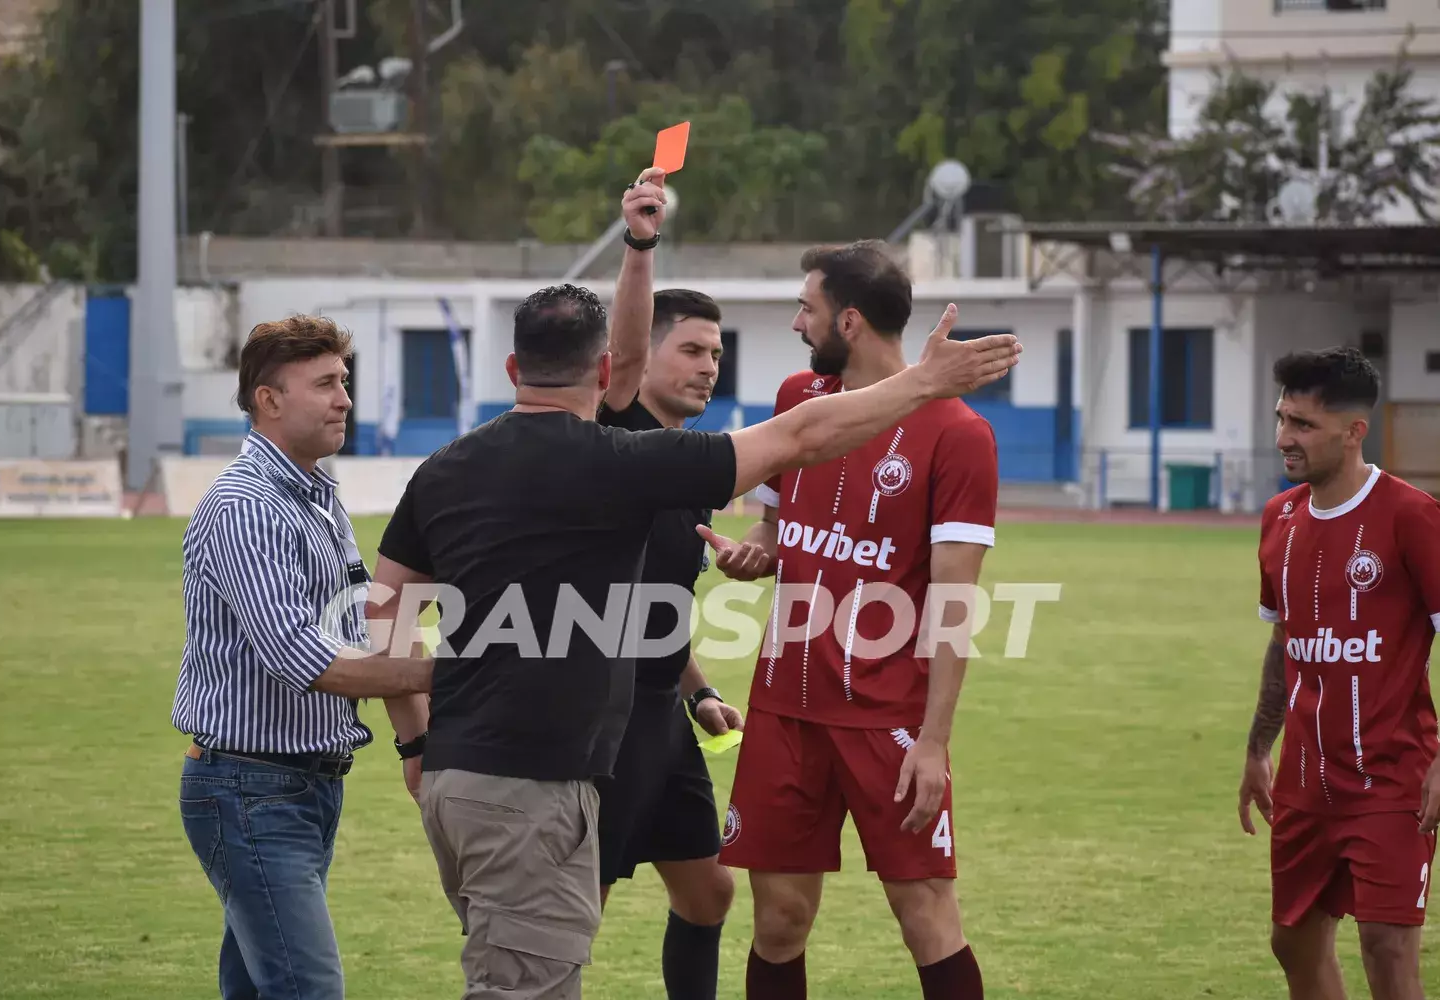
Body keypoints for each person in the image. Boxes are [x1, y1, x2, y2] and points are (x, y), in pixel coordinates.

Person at [367, 269, 1020, 999]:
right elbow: (801, 435)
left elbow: (384, 611)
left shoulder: (443, 468)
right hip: (543, 776)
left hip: (461, 773)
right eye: (692, 350)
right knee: (530, 976)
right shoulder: (625, 462)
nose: (710, 365)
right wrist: (927, 381)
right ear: (609, 371)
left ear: (514, 366)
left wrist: (416, 740)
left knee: (672, 906)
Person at [702, 240, 999, 1000]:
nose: (796, 323)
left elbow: (955, 602)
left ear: (851, 321)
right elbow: (775, 527)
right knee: (779, 921)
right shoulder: (797, 399)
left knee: (925, 914)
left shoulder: (959, 433)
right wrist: (757, 552)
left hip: (887, 721)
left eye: (807, 308)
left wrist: (933, 742)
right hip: (784, 710)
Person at [171, 315, 438, 1000]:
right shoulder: (247, 505)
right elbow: (304, 658)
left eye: (343, 381)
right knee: (307, 988)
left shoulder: (318, 497)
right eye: (324, 384)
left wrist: (418, 741)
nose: (344, 399)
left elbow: (366, 624)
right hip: (250, 788)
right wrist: (454, 674)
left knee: (261, 988)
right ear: (268, 399)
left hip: (302, 787)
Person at [1238, 346, 1440, 1000]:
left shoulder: (1411, 516)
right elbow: (1285, 638)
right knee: (1293, 942)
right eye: (1281, 418)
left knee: (1387, 949)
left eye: (1303, 424)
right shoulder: (1279, 519)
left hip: (1391, 779)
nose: (1283, 438)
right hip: (1304, 782)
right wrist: (1258, 748)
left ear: (1354, 432)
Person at [593, 167, 743, 1000]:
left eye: (716, 353)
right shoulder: (610, 436)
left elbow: (657, 613)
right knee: (576, 907)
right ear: (643, 355)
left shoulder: (691, 469)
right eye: (690, 349)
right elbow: (618, 351)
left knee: (709, 892)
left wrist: (700, 691)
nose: (708, 366)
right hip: (596, 719)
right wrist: (640, 242)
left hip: (661, 713)